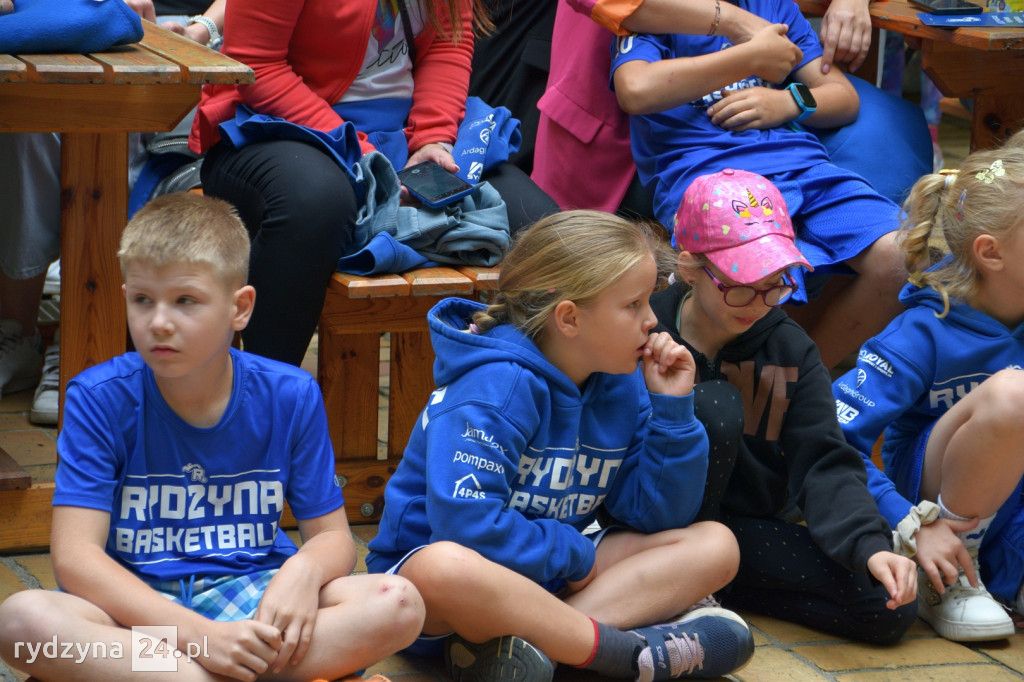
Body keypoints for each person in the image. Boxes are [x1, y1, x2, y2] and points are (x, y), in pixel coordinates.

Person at [0, 193, 425, 680]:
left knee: (399, 603)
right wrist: (201, 640)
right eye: (143, 300)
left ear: (239, 307)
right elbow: (77, 560)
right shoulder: (98, 398)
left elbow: (333, 539)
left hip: (253, 603)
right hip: (142, 621)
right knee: (22, 623)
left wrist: (303, 573)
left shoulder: (290, 395)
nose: (159, 322)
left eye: (185, 301)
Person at [366, 211, 755, 682]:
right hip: (444, 593)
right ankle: (628, 655)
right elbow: (466, 527)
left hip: (551, 574)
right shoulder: (496, 387)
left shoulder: (620, 380)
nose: (652, 320)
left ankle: (534, 650)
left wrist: (672, 414)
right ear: (569, 318)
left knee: (717, 545)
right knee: (442, 567)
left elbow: (654, 516)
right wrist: (573, 553)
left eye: (649, 301)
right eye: (633, 305)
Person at [190, 0, 558, 367]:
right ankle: (266, 387)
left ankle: (509, 395)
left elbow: (448, 42)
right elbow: (257, 65)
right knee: (317, 204)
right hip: (278, 124)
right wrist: (358, 150)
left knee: (545, 233)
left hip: (402, 130)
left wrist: (434, 137)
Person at [647, 168, 918, 644]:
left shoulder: (790, 348)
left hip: (740, 534)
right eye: (740, 284)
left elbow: (824, 459)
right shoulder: (647, 327)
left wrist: (869, 546)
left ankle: (709, 587)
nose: (759, 302)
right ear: (690, 268)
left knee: (888, 605)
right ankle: (682, 583)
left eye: (775, 282)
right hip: (651, 530)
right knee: (713, 407)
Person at [610, 0, 909, 369]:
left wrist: (789, 101)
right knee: (762, 273)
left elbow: (843, 96)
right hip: (713, 177)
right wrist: (749, 58)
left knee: (901, 256)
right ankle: (773, 385)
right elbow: (634, 89)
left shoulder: (774, 6)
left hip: (802, 166)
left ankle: (799, 381)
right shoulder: (659, 9)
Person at [833, 132, 1024, 642]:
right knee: (1013, 395)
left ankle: (1008, 575)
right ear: (992, 253)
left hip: (1013, 517)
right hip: (935, 513)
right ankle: (952, 576)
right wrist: (911, 525)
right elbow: (833, 439)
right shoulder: (921, 333)